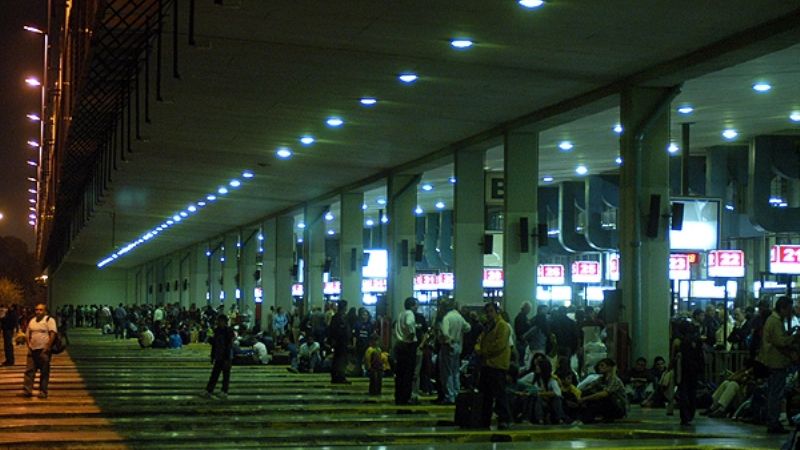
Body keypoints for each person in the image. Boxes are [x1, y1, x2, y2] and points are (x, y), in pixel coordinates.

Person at [758, 296, 798, 433]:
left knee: (773, 393)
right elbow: (780, 341)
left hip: (774, 362)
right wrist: (793, 337)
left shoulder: (772, 320)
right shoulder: (775, 321)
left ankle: (772, 421)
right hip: (776, 362)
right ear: (783, 308)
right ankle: (773, 422)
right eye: (789, 309)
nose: (790, 312)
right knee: (776, 394)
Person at [475, 302, 512, 430]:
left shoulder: (503, 326)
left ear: (497, 311)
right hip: (487, 364)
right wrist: (478, 349)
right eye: (487, 312)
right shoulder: (488, 326)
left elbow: (499, 345)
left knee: (499, 394)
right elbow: (479, 340)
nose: (489, 314)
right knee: (486, 395)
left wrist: (483, 351)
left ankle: (504, 419)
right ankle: (485, 419)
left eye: (491, 311)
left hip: (498, 365)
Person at [438, 298, 471, 404]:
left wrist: (448, 341)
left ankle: (449, 396)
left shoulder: (447, 318)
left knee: (447, 372)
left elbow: (445, 333)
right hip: (458, 346)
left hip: (449, 346)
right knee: (455, 371)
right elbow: (468, 328)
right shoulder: (459, 317)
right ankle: (457, 393)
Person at [577, 358, 627, 423]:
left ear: (609, 367)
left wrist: (585, 399)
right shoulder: (600, 379)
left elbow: (604, 394)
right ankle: (584, 418)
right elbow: (588, 387)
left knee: (603, 397)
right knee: (588, 393)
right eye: (599, 366)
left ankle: (586, 418)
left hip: (618, 407)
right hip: (607, 405)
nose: (600, 367)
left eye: (602, 365)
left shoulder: (615, 380)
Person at [23, 304, 57, 399]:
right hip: (32, 349)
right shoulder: (32, 320)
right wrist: (28, 344)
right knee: (29, 371)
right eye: (37, 310)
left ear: (45, 311)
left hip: (43, 350)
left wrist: (48, 346)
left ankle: (43, 391)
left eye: (41, 310)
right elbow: (28, 333)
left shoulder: (49, 320)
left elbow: (53, 333)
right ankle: (27, 390)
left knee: (44, 372)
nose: (38, 311)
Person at [674, 319, 704, 426]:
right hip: (694, 369)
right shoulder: (697, 339)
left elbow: (674, 355)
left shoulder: (678, 341)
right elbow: (700, 356)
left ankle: (684, 416)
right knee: (692, 392)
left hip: (682, 368)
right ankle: (691, 414)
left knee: (683, 392)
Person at [393, 297, 418, 405]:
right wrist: (411, 335)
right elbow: (409, 324)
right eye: (416, 305)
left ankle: (399, 396)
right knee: (408, 374)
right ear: (412, 305)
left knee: (400, 373)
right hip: (408, 345)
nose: (417, 307)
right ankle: (405, 397)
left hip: (400, 344)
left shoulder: (401, 314)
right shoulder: (410, 314)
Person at [203, 314, 235, 399]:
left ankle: (224, 391)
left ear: (224, 322)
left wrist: (228, 358)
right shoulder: (217, 330)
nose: (218, 322)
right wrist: (212, 356)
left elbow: (229, 345)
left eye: (220, 321)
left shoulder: (228, 331)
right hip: (218, 356)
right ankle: (209, 390)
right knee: (214, 374)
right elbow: (214, 344)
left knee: (225, 375)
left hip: (226, 356)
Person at [328, 300, 352, 384]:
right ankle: (339, 377)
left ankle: (337, 377)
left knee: (339, 360)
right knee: (340, 361)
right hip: (340, 343)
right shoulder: (338, 318)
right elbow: (334, 331)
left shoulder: (339, 317)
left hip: (341, 343)